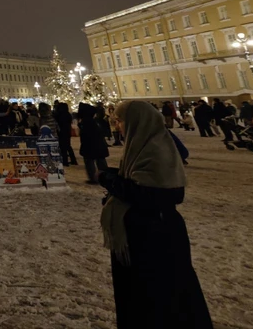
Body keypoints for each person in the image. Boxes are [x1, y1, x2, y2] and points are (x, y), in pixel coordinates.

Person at [100, 100, 212, 329]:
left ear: (136, 122)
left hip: (154, 235)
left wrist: (113, 182)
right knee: (142, 296)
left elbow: (162, 194)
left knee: (160, 296)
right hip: (143, 232)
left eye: (120, 121)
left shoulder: (157, 147)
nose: (118, 126)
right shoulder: (139, 145)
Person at [78, 103, 110, 184]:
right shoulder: (93, 121)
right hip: (98, 145)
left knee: (90, 161)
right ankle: (105, 177)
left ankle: (95, 178)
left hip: (91, 145)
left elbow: (85, 136)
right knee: (100, 160)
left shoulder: (86, 122)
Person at [54, 102, 78, 166]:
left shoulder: (58, 115)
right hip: (67, 131)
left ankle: (65, 161)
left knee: (63, 147)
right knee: (68, 146)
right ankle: (73, 160)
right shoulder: (68, 115)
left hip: (61, 131)